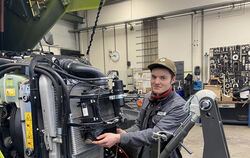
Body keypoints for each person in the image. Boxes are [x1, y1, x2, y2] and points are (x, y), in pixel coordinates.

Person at [93, 57, 188, 158]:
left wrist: (119, 138)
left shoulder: (179, 106)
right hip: (144, 152)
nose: (156, 82)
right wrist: (125, 132)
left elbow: (155, 134)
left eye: (163, 78)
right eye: (154, 77)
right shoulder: (148, 97)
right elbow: (139, 125)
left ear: (172, 79)